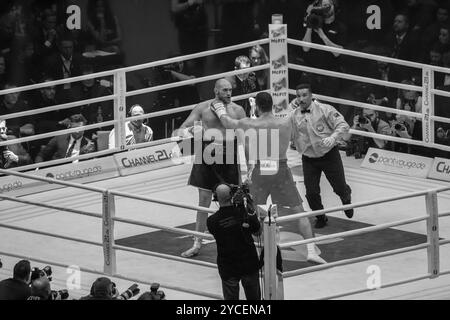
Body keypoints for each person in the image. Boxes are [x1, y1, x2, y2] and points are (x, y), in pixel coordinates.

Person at [211, 91, 326, 263]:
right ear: (271, 105)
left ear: (256, 106)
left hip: (260, 170)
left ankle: (254, 251)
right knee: (298, 211)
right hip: (280, 168)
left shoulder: (249, 123)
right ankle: (311, 251)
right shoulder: (286, 121)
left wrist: (219, 108)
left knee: (252, 212)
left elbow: (228, 122)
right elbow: (296, 121)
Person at [173, 78, 246, 258]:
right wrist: (195, 132)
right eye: (224, 90)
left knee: (235, 200)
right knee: (203, 200)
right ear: (216, 91)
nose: (229, 93)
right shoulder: (202, 108)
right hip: (206, 154)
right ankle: (197, 243)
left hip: (229, 156)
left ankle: (240, 240)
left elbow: (247, 134)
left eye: (230, 90)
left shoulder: (237, 110)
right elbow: (181, 130)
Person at [291, 83, 353, 228]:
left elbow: (343, 125)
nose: (301, 99)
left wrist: (333, 137)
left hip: (329, 155)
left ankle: (346, 197)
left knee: (339, 187)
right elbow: (284, 129)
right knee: (311, 192)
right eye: (298, 96)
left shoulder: (325, 109)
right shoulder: (293, 115)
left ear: (311, 95)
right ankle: (320, 216)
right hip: (309, 158)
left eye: (304, 95)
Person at [207, 183, 261, 300]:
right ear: (231, 195)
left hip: (228, 265)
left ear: (216, 198)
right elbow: (257, 230)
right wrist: (248, 206)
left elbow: (218, 233)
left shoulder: (211, 221)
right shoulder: (244, 213)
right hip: (248, 263)